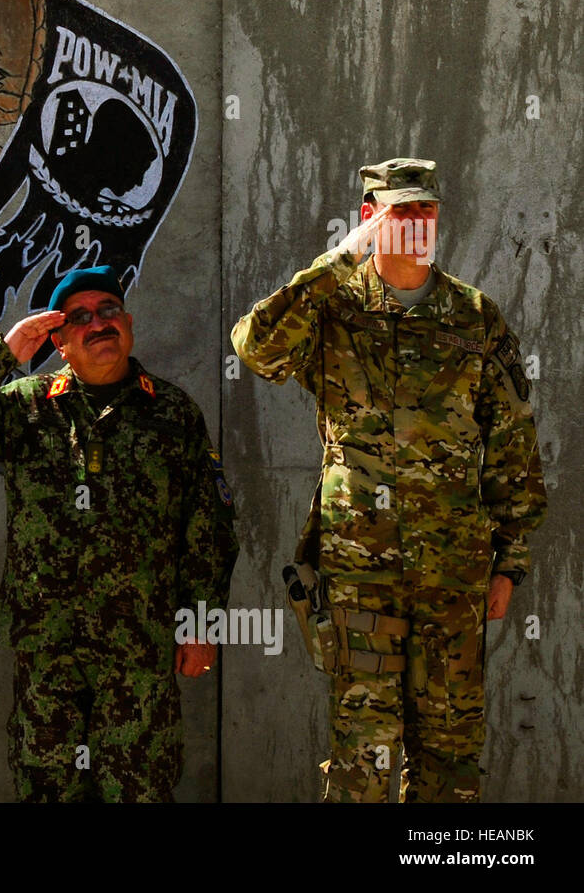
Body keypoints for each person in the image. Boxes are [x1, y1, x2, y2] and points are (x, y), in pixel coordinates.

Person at [231, 158, 547, 802]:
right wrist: (340, 259)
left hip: (453, 572)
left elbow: (512, 443)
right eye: (401, 211)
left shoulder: (474, 317)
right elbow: (256, 349)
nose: (417, 222)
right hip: (358, 572)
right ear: (370, 217)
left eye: (426, 210)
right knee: (363, 752)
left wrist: (509, 563)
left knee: (451, 749)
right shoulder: (331, 308)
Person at [0, 265, 238, 802]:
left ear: (129, 324)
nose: (99, 324)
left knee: (139, 787)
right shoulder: (27, 403)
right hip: (48, 645)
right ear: (61, 341)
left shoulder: (173, 412)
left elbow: (207, 525)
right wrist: (6, 352)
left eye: (109, 311)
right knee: (48, 786)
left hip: (140, 646)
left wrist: (201, 622)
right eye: (80, 318)